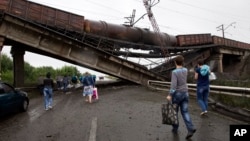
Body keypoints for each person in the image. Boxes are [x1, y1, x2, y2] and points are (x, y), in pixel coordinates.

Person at [166, 55, 196, 139]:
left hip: (177, 94)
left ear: (175, 62)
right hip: (185, 93)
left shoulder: (175, 72)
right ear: (182, 62)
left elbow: (173, 86)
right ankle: (190, 128)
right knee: (185, 112)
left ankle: (175, 128)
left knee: (174, 112)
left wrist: (169, 95)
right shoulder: (185, 70)